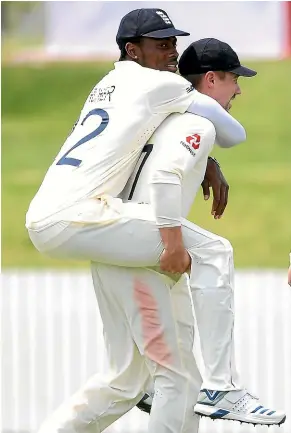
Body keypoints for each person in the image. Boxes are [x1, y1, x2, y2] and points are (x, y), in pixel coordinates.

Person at [25, 8, 247, 277]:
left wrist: (205, 161)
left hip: (42, 216)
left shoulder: (106, 84)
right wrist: (203, 157)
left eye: (174, 43)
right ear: (132, 50)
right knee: (213, 252)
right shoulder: (161, 83)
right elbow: (234, 135)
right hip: (80, 217)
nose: (173, 53)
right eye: (162, 45)